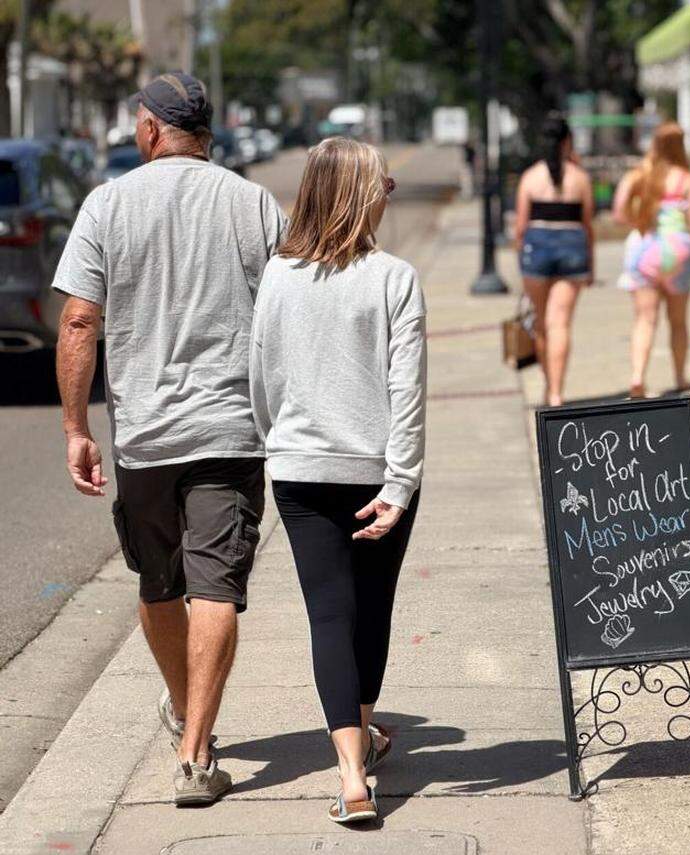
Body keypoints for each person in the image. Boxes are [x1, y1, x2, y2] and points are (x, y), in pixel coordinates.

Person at [53, 73, 287, 805]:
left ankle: (191, 726)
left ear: (152, 129)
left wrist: (75, 428)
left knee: (159, 584)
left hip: (145, 437)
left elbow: (79, 320)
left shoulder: (107, 204)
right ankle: (194, 750)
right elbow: (287, 311)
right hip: (229, 430)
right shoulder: (253, 203)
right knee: (216, 586)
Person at [249, 138, 426, 825]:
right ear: (359, 193)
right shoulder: (394, 278)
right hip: (375, 471)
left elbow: (261, 378)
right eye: (384, 182)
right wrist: (400, 484)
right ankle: (362, 741)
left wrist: (281, 446)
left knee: (329, 614)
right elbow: (406, 392)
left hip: (299, 469)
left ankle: (353, 774)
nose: (389, 193)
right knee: (370, 610)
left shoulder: (278, 276)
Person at [613, 122, 690, 398]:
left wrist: (639, 219)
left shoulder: (642, 175)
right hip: (677, 252)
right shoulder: (686, 179)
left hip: (645, 249)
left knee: (644, 319)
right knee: (678, 321)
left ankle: (638, 377)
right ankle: (681, 378)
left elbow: (619, 213)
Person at [514, 114, 594, 406]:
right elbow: (588, 225)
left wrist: (522, 263)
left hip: (536, 249)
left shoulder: (530, 177)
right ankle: (557, 393)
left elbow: (520, 228)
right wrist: (591, 265)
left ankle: (549, 386)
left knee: (541, 324)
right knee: (560, 323)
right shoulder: (580, 178)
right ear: (567, 141)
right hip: (573, 248)